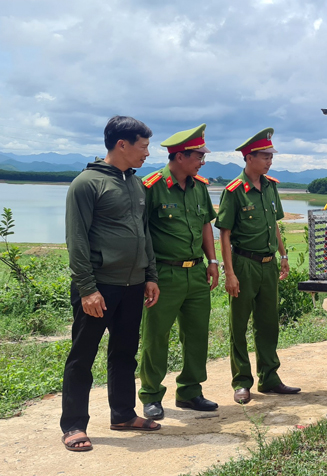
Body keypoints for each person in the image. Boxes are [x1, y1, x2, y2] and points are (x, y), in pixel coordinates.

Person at [61, 116, 161, 452]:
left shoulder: (136, 183)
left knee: (124, 352)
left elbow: (145, 234)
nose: (147, 153)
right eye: (143, 146)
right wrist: (87, 288)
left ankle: (122, 414)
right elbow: (76, 239)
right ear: (122, 144)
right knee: (82, 355)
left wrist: (150, 276)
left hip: (133, 285)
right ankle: (74, 424)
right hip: (99, 287)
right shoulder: (86, 184)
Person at [138, 124, 219, 420]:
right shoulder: (151, 186)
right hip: (163, 275)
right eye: (199, 156)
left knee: (197, 334)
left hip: (196, 273)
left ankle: (190, 391)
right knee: (156, 336)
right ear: (180, 156)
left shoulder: (199, 187)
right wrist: (148, 276)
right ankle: (150, 395)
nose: (202, 161)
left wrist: (213, 262)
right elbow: (141, 233)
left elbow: (205, 225)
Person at [215, 127, 300, 405]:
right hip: (244, 264)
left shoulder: (271, 186)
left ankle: (270, 378)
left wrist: (283, 256)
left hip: (268, 264)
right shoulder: (234, 191)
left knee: (268, 323)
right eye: (264, 156)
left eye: (271, 157)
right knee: (239, 325)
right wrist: (229, 272)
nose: (269, 161)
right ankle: (241, 382)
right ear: (249, 157)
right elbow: (224, 233)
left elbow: (274, 224)